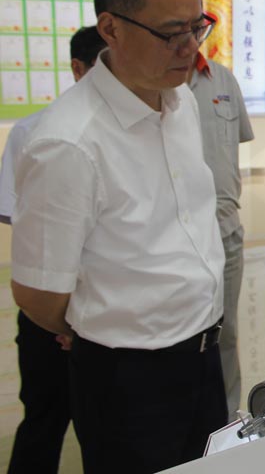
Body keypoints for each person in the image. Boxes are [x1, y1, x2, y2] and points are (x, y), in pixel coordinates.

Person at [10, 0, 227, 473]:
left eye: (197, 27)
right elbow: (39, 294)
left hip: (203, 355)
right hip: (127, 379)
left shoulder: (180, 100)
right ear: (110, 28)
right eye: (171, 33)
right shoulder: (68, 144)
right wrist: (109, 326)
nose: (189, 48)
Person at [1, 26, 105, 474]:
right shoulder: (35, 131)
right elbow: (22, 223)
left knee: (105, 427)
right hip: (49, 305)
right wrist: (59, 317)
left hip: (106, 309)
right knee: (44, 418)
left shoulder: (140, 128)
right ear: (78, 69)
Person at [188, 52, 254, 419]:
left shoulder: (222, 79)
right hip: (176, 237)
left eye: (200, 26)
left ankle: (226, 419)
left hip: (226, 230)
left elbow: (234, 143)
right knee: (182, 335)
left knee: (225, 332)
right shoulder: (153, 83)